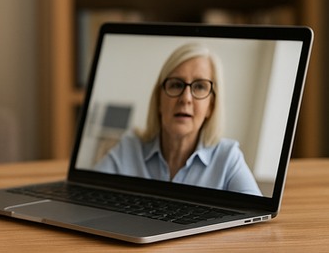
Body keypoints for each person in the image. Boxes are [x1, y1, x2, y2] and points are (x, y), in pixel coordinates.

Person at [93, 42, 261, 196]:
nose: (186, 98)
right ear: (159, 99)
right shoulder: (129, 148)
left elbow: (257, 222)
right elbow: (88, 196)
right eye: (176, 85)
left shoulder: (228, 157)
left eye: (200, 86)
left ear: (211, 106)